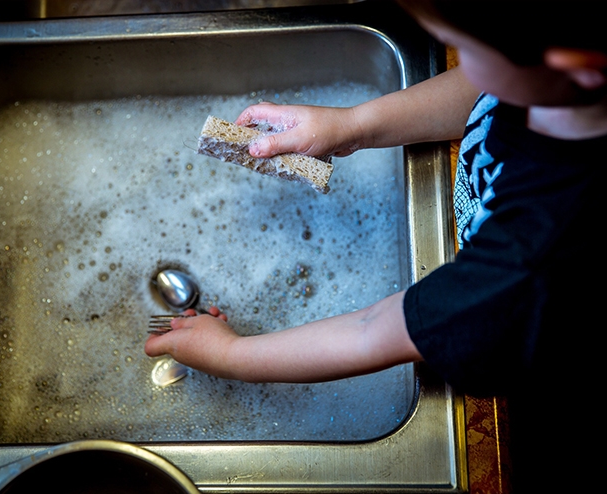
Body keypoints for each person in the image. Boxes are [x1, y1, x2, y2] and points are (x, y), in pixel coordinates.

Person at [146, 1, 607, 490]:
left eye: (467, 50)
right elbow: (484, 93)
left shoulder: (532, 265)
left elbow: (374, 331)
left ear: (577, 65)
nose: (460, 64)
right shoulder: (558, 88)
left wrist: (233, 357)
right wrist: (353, 126)